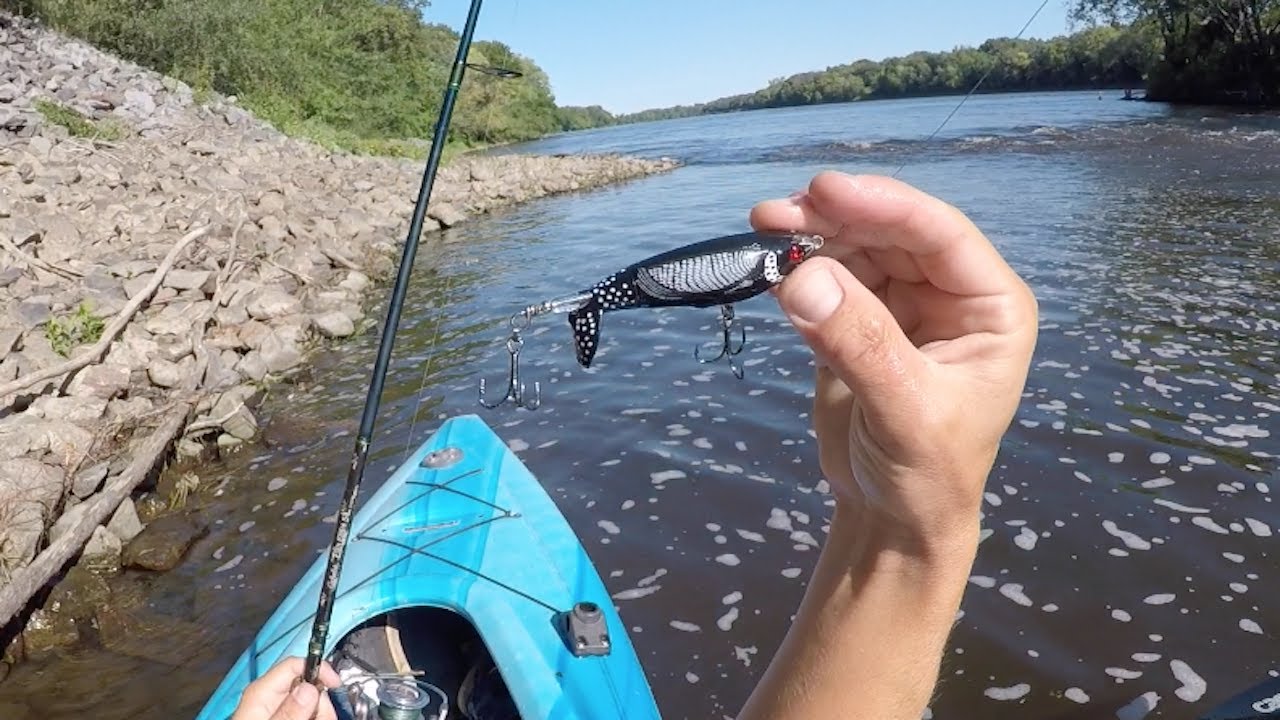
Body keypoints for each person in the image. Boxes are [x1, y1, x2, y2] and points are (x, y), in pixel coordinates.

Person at [231, 171, 1039, 720]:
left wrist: (897, 527)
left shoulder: (773, 257)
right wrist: (910, 536)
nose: (805, 266)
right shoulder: (772, 259)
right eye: (800, 262)